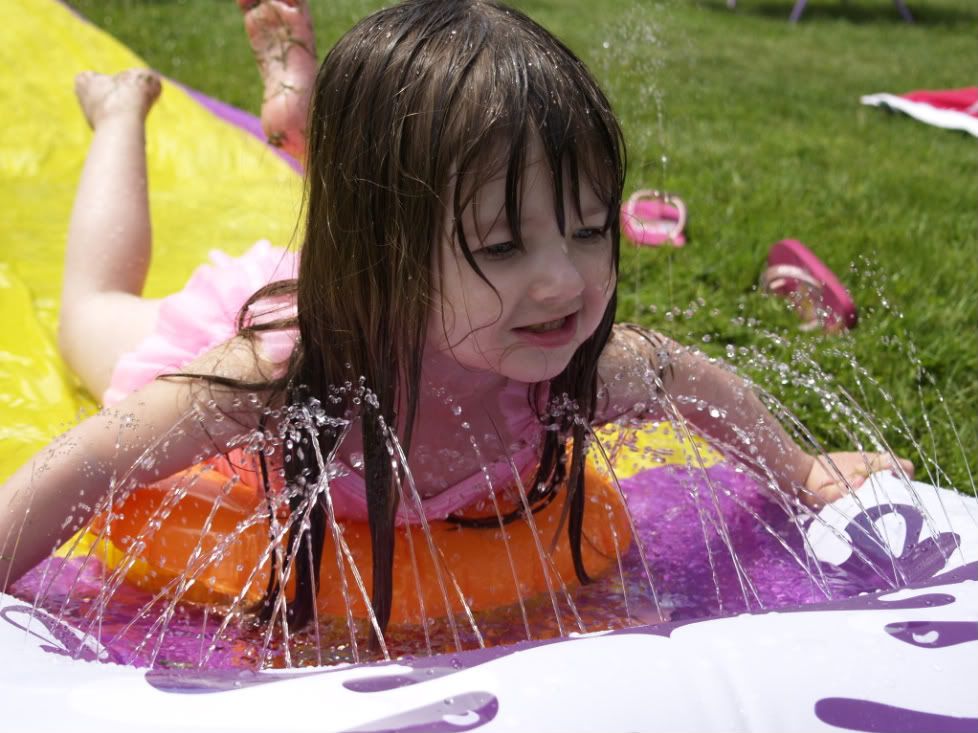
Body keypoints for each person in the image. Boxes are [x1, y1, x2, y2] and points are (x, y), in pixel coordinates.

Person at [0, 0, 911, 636]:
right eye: (506, 246)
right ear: (388, 262)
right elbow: (95, 458)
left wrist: (796, 470)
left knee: (404, 177)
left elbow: (700, 388)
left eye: (590, 229)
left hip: (394, 274)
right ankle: (119, 110)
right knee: (92, 317)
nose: (566, 280)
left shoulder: (581, 364)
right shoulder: (278, 379)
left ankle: (306, 115)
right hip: (302, 319)